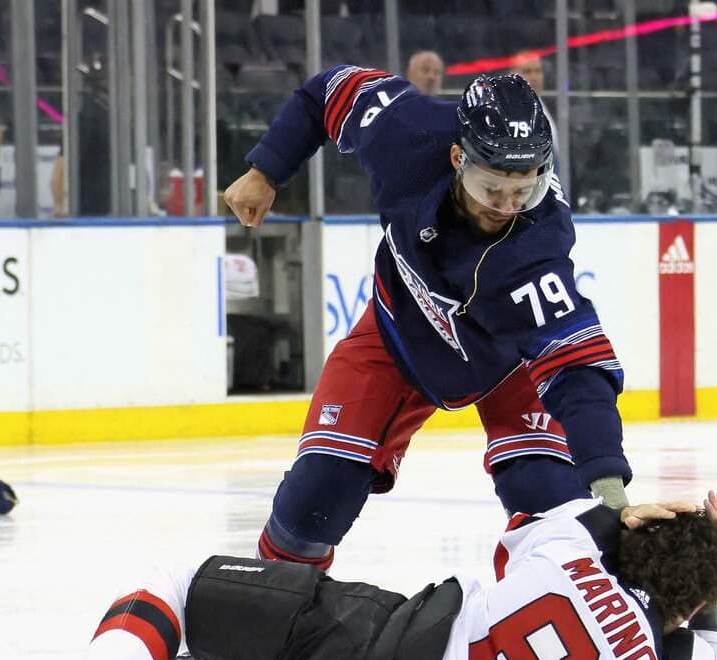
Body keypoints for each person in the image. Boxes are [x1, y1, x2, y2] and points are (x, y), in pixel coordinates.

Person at [223, 69, 631, 573]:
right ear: (458, 158)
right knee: (314, 499)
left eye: (523, 191)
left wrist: (608, 487)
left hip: (509, 359)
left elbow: (577, 368)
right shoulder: (405, 131)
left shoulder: (536, 247)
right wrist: (266, 169)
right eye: (491, 188)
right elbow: (325, 92)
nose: (506, 207)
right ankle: (259, 621)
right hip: (400, 331)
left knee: (552, 507)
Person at [80, 491, 717, 660]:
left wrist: (619, 518)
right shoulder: (662, 658)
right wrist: (701, 606)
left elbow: (522, 533)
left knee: (180, 587)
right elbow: (712, 654)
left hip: (384, 646)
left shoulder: (573, 543)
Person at [509, 54, 560, 174]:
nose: (534, 77)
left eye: (538, 71)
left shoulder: (553, 107)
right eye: (527, 71)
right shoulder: (509, 113)